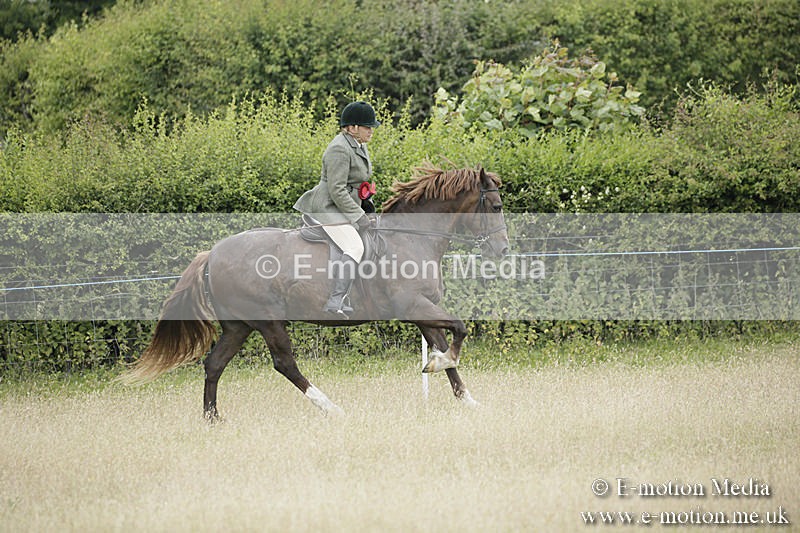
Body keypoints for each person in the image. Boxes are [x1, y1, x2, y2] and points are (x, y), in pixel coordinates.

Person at [293, 101, 380, 317]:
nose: (371, 130)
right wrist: (358, 216)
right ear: (351, 128)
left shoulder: (358, 145)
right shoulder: (339, 149)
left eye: (371, 126)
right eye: (366, 126)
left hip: (341, 204)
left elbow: (354, 183)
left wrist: (365, 200)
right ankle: (336, 299)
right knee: (355, 247)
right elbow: (337, 190)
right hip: (327, 207)